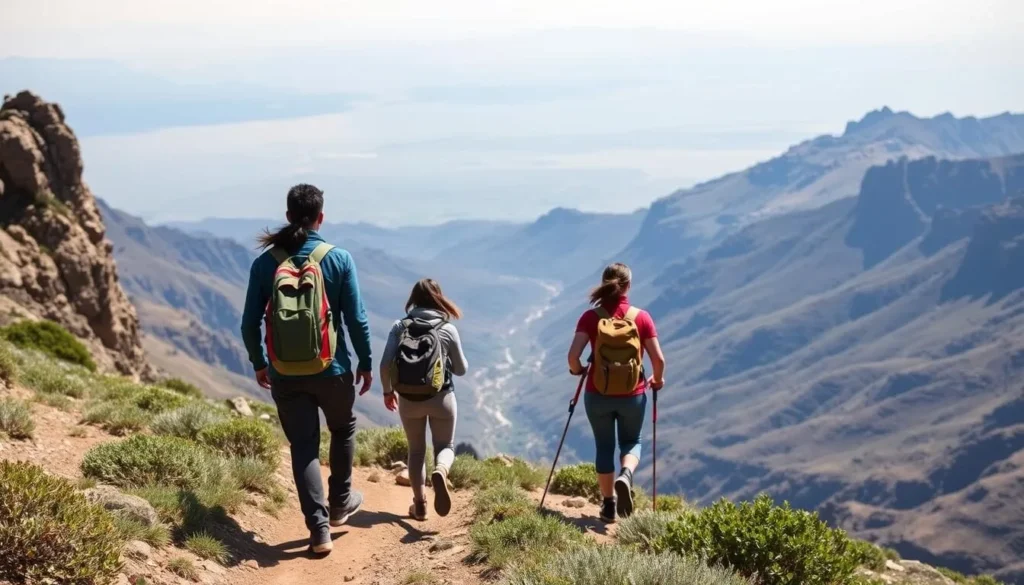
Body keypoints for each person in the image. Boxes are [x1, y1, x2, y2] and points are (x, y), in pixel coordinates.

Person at [240, 183, 373, 555]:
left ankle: (318, 531)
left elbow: (249, 323)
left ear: (287, 217)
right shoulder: (338, 259)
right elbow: (357, 320)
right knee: (343, 428)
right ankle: (340, 505)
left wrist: (260, 364)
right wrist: (365, 363)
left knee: (304, 446)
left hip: (285, 374)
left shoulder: (265, 263)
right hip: (333, 370)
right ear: (321, 217)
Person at [567, 262, 665, 523]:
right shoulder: (641, 317)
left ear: (604, 284)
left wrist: (578, 372)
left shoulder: (591, 317)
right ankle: (626, 475)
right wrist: (658, 380)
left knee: (604, 446)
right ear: (628, 286)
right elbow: (659, 361)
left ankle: (608, 506)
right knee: (631, 442)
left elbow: (573, 357)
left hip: (597, 393)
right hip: (633, 394)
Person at [380, 279, 468, 521]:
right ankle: (441, 470)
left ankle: (419, 505)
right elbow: (461, 369)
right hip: (442, 398)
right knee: (445, 447)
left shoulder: (400, 326)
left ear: (413, 299)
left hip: (408, 400)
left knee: (416, 452)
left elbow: (385, 364)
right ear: (439, 298)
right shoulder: (447, 328)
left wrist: (388, 392)